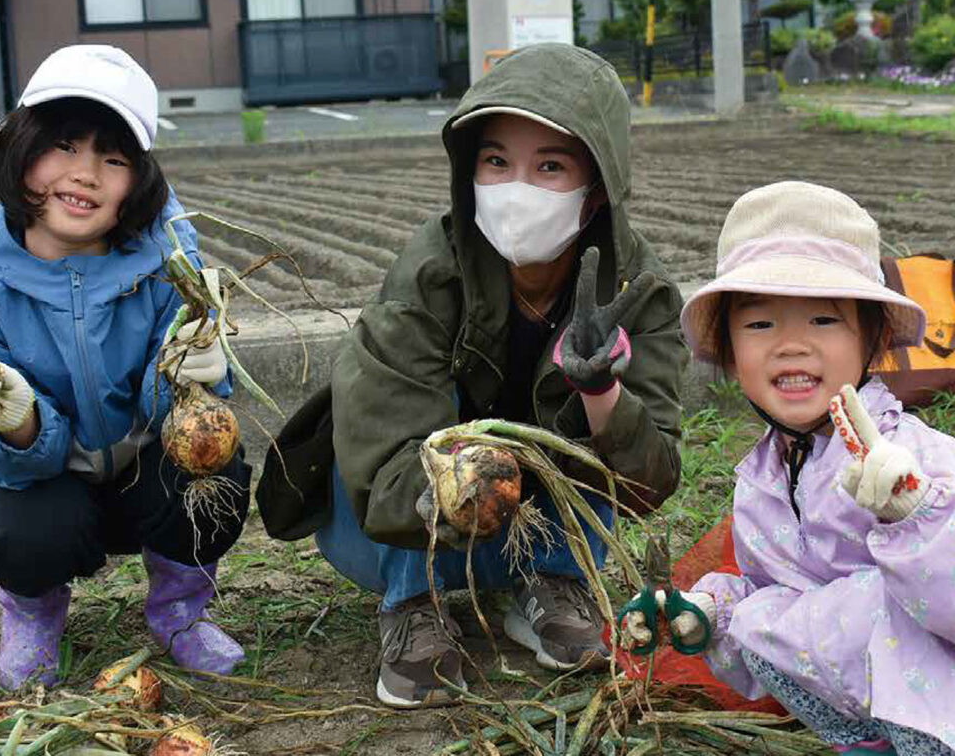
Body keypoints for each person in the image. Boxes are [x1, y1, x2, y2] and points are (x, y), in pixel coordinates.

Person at [257, 43, 688, 708]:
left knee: (580, 419)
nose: (515, 188)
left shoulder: (638, 290)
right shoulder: (430, 273)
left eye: (549, 166)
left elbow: (649, 480)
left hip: (538, 525)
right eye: (496, 162)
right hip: (391, 525)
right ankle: (413, 604)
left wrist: (602, 392)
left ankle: (552, 580)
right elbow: (380, 450)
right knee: (447, 421)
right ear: (469, 172)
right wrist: (457, 493)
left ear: (598, 184)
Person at [0, 44, 251, 691]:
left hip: (138, 465)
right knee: (27, 529)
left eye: (112, 158)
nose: (84, 174)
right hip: (45, 481)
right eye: (64, 146)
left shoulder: (171, 267)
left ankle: (179, 611)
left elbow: (184, 426)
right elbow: (9, 459)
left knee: (216, 474)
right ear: (20, 149)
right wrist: (19, 421)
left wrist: (192, 376)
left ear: (137, 181)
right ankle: (32, 613)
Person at [624, 181, 955, 755]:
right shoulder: (763, 478)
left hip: (940, 705)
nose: (792, 345)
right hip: (871, 698)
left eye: (823, 320)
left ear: (874, 339)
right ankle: (864, 743)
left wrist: (914, 516)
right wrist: (707, 611)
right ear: (728, 354)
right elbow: (770, 588)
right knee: (757, 617)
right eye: (760, 324)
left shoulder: (915, 460)